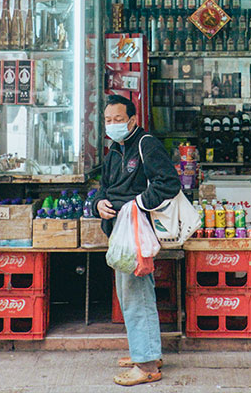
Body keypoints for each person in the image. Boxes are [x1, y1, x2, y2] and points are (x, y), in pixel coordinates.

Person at [97, 93, 179, 386]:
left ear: (132, 120)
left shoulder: (146, 144)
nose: (113, 124)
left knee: (136, 296)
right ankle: (148, 353)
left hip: (137, 231)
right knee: (132, 294)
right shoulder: (113, 151)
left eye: (118, 119)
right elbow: (104, 187)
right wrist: (99, 203)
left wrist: (138, 204)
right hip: (120, 230)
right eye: (108, 120)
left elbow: (169, 183)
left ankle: (146, 366)